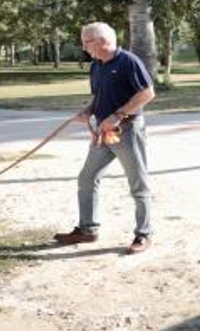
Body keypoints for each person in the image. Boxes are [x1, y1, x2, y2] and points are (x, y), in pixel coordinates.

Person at [54, 22, 156, 254]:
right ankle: (88, 230)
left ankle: (144, 233)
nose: (83, 47)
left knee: (138, 184)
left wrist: (118, 115)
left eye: (86, 42)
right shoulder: (97, 66)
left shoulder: (128, 61)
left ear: (102, 41)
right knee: (87, 179)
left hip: (128, 131)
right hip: (104, 133)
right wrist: (88, 111)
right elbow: (98, 96)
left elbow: (147, 93)